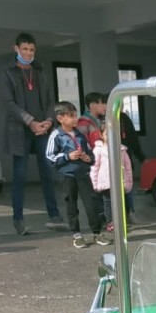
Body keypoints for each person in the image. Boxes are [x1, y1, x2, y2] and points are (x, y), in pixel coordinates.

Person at [0, 32, 67, 236]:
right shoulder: (8, 72)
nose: (28, 53)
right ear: (16, 49)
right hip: (21, 129)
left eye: (32, 50)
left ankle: (54, 216)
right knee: (19, 175)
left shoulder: (40, 71)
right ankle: (18, 220)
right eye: (25, 49)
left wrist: (48, 120)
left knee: (47, 172)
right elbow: (9, 103)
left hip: (43, 129)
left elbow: (49, 100)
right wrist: (30, 121)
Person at [45, 102, 108, 249]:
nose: (75, 119)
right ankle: (77, 234)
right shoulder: (56, 135)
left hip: (83, 174)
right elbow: (50, 157)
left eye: (75, 115)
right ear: (60, 118)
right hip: (67, 176)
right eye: (71, 116)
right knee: (71, 205)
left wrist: (88, 158)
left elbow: (90, 153)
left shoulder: (80, 134)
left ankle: (97, 232)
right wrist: (67, 157)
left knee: (92, 204)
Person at [89, 125, 133, 231]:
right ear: (101, 135)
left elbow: (128, 167)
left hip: (120, 181)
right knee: (108, 202)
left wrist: (129, 182)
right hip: (106, 182)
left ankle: (122, 222)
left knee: (121, 202)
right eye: (106, 134)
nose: (110, 136)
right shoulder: (98, 149)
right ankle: (110, 222)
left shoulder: (121, 149)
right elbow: (94, 167)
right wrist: (94, 183)